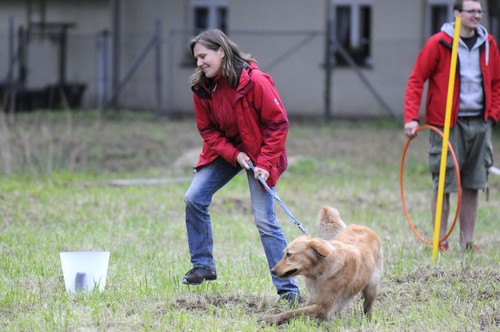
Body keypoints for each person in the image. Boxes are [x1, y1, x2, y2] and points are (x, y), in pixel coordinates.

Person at [181, 29, 301, 304]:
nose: (198, 63)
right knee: (194, 198)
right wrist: (235, 155)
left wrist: (265, 164)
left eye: (203, 56)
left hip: (261, 152)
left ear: (221, 51)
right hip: (226, 152)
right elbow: (208, 130)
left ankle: (289, 291)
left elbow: (278, 124)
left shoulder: (255, 81)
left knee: (264, 220)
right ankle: (203, 265)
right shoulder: (202, 88)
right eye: (196, 58)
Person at [404, 0, 500, 252]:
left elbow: (496, 83)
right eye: (471, 11)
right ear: (457, 14)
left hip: (480, 123)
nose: (477, 16)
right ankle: (440, 239)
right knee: (445, 182)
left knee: (473, 183)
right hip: (446, 125)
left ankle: (467, 241)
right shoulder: (439, 43)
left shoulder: (488, 44)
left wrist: (493, 115)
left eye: (480, 11)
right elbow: (416, 80)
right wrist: (411, 118)